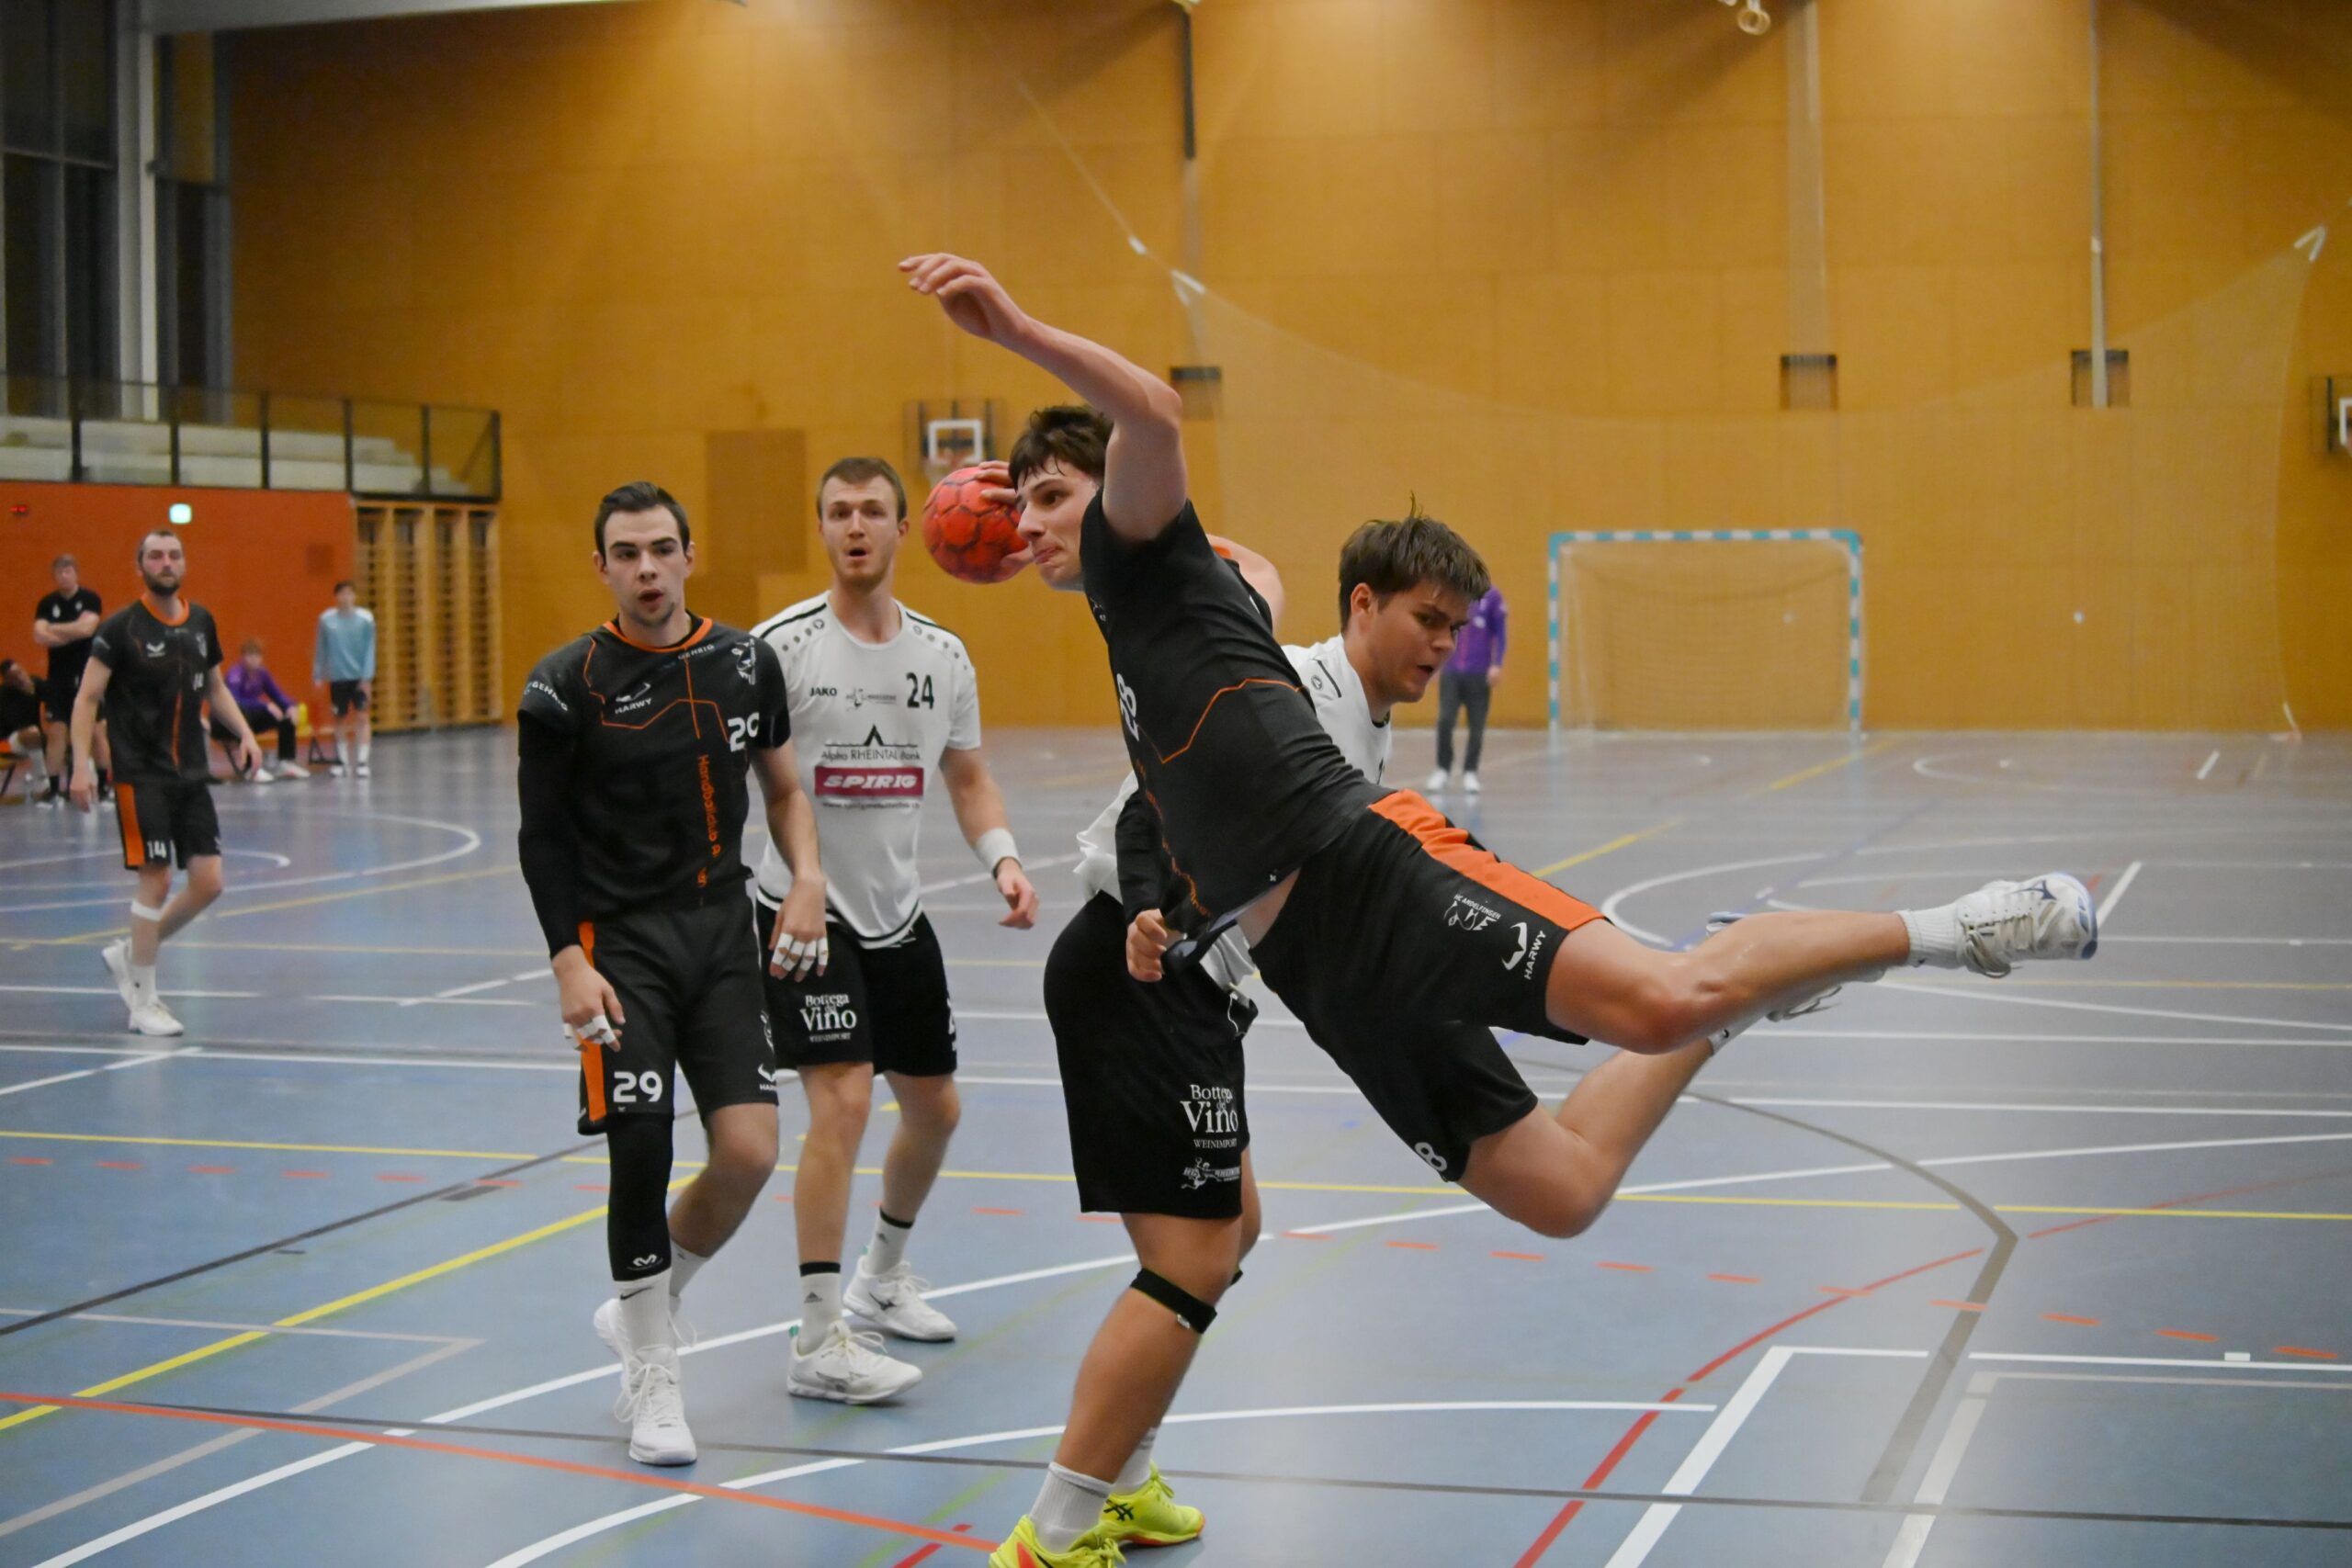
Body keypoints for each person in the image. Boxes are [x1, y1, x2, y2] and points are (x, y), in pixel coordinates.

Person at [902, 253, 2101, 1568]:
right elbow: (1196, 732)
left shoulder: (1154, 558)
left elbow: (1157, 423)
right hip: (1300, 958)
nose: (1029, 526)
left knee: (1651, 997)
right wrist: (1157, 905)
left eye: (1053, 497)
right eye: (1017, 508)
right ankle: (1735, 982)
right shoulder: (1145, 624)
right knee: (1559, 1184)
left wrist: (1014, 328)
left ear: (1114, 500)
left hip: (1357, 868)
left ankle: (1959, 923)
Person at [1012, 410, 1484, 1562]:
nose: (1442, 647)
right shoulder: (1305, 696)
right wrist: (1147, 917)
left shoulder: (1360, 724)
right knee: (1192, 1260)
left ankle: (1120, 1475)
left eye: (1457, 629)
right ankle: (1056, 1528)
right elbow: (1145, 815)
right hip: (1138, 973)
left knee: (1234, 1230)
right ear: (1361, 604)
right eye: (1426, 621)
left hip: (1190, 987)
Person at [515, 480, 823, 1469]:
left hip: (722, 934)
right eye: (625, 553)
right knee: (639, 1150)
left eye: (660, 549)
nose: (646, 568)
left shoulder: (746, 663)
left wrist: (807, 877)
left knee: (747, 1152)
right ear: (601, 567)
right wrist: (568, 960)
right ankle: (651, 1375)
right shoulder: (564, 687)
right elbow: (541, 840)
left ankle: (646, 1306)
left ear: (689, 554)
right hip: (620, 947)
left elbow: (782, 786)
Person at [748, 456, 1039, 1405]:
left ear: (907, 529)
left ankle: (880, 1278)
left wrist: (1000, 854)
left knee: (935, 1110)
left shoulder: (942, 657)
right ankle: (818, 1336)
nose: (856, 526)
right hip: (801, 909)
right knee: (840, 1106)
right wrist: (790, 881)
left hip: (895, 915)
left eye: (873, 510)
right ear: (822, 528)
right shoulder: (776, 650)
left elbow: (965, 775)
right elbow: (745, 780)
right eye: (838, 512)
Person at [69, 531, 264, 1039]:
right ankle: (144, 1002)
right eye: (155, 556)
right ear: (140, 567)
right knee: (154, 879)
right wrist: (82, 766)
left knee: (208, 882)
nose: (166, 562)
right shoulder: (120, 629)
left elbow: (215, 687)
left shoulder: (201, 622)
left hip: (191, 774)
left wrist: (244, 733)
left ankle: (131, 952)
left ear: (183, 564)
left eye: (173, 555)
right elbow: (88, 698)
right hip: (140, 775)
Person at [33, 554, 106, 807]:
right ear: (55, 576)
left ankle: (105, 788)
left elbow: (88, 629)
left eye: (68, 571)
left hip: (87, 674)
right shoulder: (46, 603)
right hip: (58, 678)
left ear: (75, 573)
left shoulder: (89, 599)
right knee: (56, 733)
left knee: (98, 732)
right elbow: (39, 635)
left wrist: (55, 629)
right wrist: (72, 629)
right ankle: (54, 791)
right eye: (59, 572)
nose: (64, 576)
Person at [1427, 580, 1505, 795]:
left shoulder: (1492, 598)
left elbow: (1500, 632)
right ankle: (1443, 768)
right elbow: (1437, 630)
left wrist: (1497, 664)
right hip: (1452, 672)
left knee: (1476, 725)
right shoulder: (1450, 596)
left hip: (1479, 673)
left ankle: (1470, 771)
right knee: (1445, 720)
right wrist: (1435, 663)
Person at [217, 639, 310, 783]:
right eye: (250, 655)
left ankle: (286, 762)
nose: (254, 659)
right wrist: (264, 706)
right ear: (242, 657)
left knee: (286, 716)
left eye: (257, 655)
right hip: (230, 724)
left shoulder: (262, 674)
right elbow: (234, 701)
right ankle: (250, 768)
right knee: (244, 713)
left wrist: (290, 706)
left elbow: (277, 694)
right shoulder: (235, 674)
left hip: (253, 718)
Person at [313, 581, 376, 777]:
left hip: (359, 677)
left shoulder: (365, 619)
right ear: (336, 597)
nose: (346, 598)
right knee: (339, 718)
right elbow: (321, 647)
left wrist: (367, 676)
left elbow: (370, 649)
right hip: (338, 677)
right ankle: (341, 760)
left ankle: (363, 761)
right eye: (342, 594)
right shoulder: (326, 620)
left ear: (354, 596)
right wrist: (318, 673)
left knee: (362, 716)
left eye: (350, 593)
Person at [2, 659, 49, 800]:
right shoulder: (3, 695)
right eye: (14, 676)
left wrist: (34, 691)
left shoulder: (35, 683)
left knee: (63, 735)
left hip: (35, 736)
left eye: (20, 672)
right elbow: (16, 723)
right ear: (7, 679)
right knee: (32, 734)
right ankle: (43, 784)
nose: (20, 677)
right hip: (7, 742)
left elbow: (54, 698)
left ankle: (94, 781)